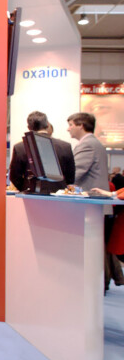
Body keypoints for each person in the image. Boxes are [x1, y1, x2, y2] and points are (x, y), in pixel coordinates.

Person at [68, 112, 124, 289]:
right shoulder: (95, 143)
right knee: (98, 251)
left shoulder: (88, 145)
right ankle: (100, 285)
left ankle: (94, 287)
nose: (68, 129)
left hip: (89, 206)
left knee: (91, 252)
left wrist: (57, 182)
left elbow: (75, 174)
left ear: (81, 125)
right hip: (96, 205)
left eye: (71, 124)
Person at [9, 111, 75, 192]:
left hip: (30, 193)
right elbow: (70, 177)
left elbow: (14, 176)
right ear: (47, 124)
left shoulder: (19, 147)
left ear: (29, 127)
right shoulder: (65, 146)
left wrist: (25, 187)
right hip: (58, 193)